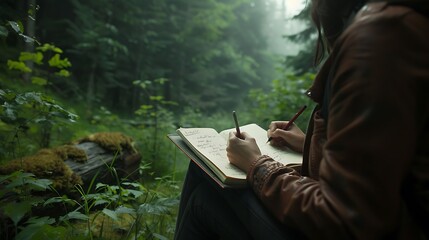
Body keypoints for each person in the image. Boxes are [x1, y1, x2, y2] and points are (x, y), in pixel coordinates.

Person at [174, 0, 429, 239]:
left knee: (203, 192)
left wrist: (256, 165)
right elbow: (381, 157)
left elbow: (344, 218)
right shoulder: (403, 25)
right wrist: (306, 143)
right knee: (205, 181)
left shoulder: (379, 41)